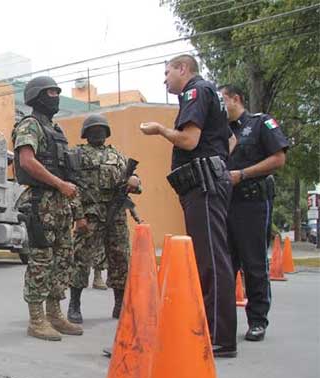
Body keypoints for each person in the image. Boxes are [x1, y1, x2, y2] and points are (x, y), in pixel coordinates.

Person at [139, 54, 237, 358]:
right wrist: (219, 162)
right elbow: (230, 140)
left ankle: (220, 338)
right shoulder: (211, 95)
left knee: (211, 259)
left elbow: (189, 141)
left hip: (204, 184)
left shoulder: (194, 91)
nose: (165, 79)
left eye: (167, 72)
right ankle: (213, 329)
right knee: (211, 256)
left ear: (183, 69)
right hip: (212, 179)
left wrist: (159, 130)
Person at [13, 76, 86, 341]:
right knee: (41, 261)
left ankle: (55, 313)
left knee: (63, 260)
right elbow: (27, 161)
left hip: (59, 204)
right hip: (41, 202)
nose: (55, 96)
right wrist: (59, 183)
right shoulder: (30, 125)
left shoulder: (56, 130)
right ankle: (36, 319)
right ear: (37, 96)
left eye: (57, 92)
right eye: (51, 92)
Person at [220, 84, 288, 342]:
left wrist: (243, 174)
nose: (219, 106)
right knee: (225, 265)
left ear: (235, 99)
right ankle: (222, 322)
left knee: (254, 263)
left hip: (253, 202)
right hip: (225, 203)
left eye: (222, 100)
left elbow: (278, 159)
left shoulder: (261, 123)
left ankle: (257, 320)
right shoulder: (222, 132)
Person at [68, 114, 141, 323]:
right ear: (86, 133)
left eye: (101, 129)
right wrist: (78, 216)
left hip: (116, 213)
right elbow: (72, 187)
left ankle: (119, 303)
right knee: (81, 259)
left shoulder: (117, 156)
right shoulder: (78, 155)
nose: (98, 133)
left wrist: (134, 181)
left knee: (120, 259)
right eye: (94, 129)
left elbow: (134, 184)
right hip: (90, 214)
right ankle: (75, 304)